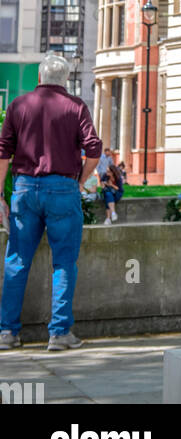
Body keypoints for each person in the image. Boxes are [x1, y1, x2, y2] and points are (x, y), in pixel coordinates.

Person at [0, 53, 102, 351]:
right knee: (64, 262)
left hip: (24, 189)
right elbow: (93, 149)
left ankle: (7, 332)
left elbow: (3, 153)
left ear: (40, 78)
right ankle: (59, 333)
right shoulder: (76, 106)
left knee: (17, 261)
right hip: (62, 188)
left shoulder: (19, 105)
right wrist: (79, 182)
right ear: (66, 80)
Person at [98, 149, 124, 224]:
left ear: (113, 172)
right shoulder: (105, 176)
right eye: (107, 171)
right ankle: (113, 213)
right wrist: (103, 185)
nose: (107, 172)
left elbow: (119, 189)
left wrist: (111, 185)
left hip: (117, 193)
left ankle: (108, 218)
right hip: (108, 192)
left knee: (108, 197)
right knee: (108, 194)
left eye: (108, 171)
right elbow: (102, 186)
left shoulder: (118, 178)